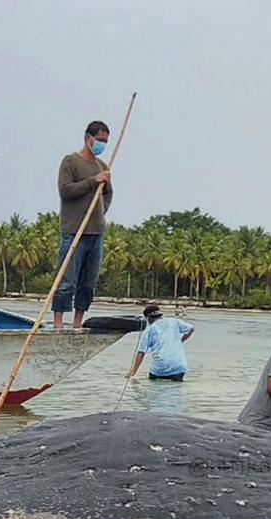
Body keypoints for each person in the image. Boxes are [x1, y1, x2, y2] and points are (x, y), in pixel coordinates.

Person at [53, 120, 113, 330]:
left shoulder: (103, 167)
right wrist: (92, 181)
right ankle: (58, 324)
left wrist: (100, 211)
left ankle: (77, 324)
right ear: (88, 138)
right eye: (99, 140)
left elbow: (108, 194)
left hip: (96, 232)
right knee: (66, 281)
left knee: (88, 283)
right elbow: (66, 190)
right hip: (74, 231)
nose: (102, 144)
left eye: (105, 141)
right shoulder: (70, 162)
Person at [125, 304, 195, 381]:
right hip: (179, 366)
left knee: (154, 389)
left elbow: (141, 353)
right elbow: (191, 328)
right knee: (175, 390)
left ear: (148, 318)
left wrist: (133, 372)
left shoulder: (150, 330)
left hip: (160, 369)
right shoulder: (174, 322)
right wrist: (182, 340)